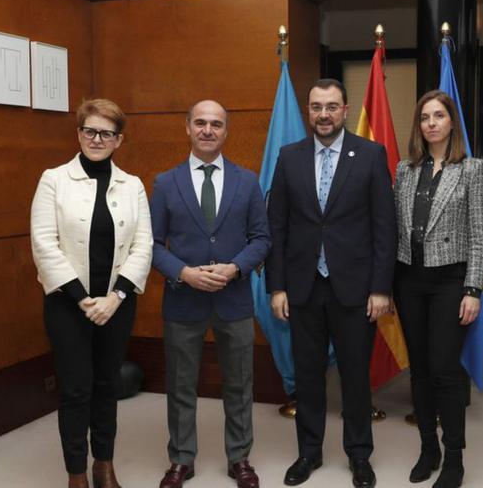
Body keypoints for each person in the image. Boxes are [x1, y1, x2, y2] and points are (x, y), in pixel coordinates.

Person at [266, 78, 396, 488]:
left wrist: (380, 288)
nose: (324, 114)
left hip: (355, 289)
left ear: (345, 109)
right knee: (307, 375)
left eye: (332, 106)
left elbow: (384, 227)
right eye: (316, 106)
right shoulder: (289, 157)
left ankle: (359, 456)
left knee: (356, 376)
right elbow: (277, 226)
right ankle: (309, 453)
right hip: (303, 287)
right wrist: (277, 286)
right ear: (309, 110)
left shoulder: (371, 155)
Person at [30, 98, 153, 488]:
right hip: (69, 305)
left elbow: (143, 246)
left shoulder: (131, 185)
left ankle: (104, 465)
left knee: (107, 385)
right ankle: (77, 473)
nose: (97, 139)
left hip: (116, 305)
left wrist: (114, 298)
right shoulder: (53, 179)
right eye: (90, 131)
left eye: (107, 133)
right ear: (79, 133)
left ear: (119, 140)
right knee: (75, 389)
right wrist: (84, 299)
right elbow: (44, 244)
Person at [150, 100, 270, 488]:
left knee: (239, 384)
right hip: (183, 300)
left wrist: (235, 267)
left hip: (233, 299)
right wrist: (183, 273)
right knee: (181, 384)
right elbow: (150, 244)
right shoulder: (165, 183)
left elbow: (262, 238)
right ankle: (181, 459)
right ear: (187, 127)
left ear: (226, 130)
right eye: (200, 123)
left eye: (216, 124)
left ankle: (240, 458)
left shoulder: (247, 181)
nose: (207, 130)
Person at [392, 90, 483, 488]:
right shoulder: (404, 170)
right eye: (424, 117)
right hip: (409, 280)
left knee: (445, 369)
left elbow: (481, 234)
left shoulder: (472, 169)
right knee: (419, 369)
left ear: (452, 122)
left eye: (439, 115)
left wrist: (474, 289)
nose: (431, 123)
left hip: (452, 281)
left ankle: (454, 459)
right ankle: (427, 447)